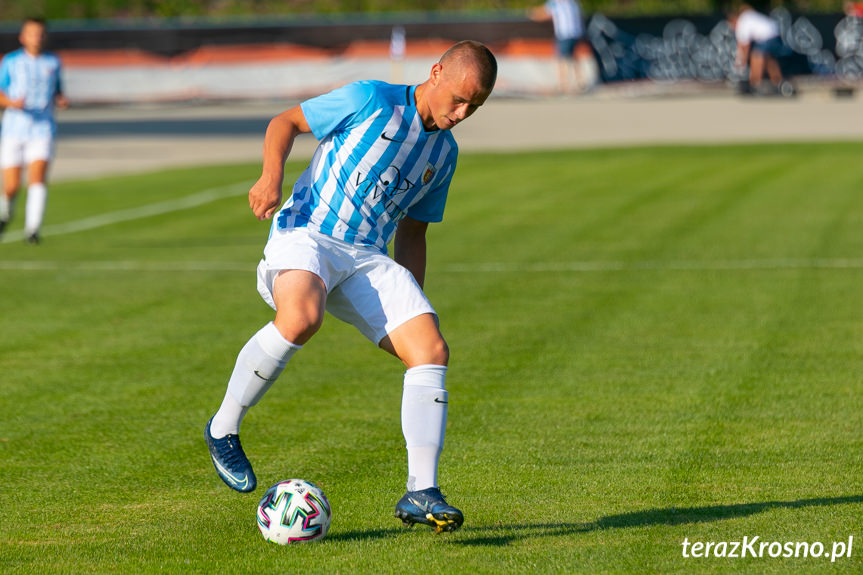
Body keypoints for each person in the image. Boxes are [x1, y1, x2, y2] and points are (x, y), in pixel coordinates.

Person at [204, 40, 497, 534]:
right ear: (437, 71)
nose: (464, 112)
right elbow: (286, 123)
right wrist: (270, 178)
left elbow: (414, 230)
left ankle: (420, 491)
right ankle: (223, 428)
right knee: (301, 318)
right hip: (308, 233)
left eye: (477, 105)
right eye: (460, 98)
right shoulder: (372, 100)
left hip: (365, 257)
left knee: (429, 349)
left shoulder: (444, 153)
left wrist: (409, 305)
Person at [0, 17, 68, 243]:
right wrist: (11, 103)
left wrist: (61, 99)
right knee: (11, 186)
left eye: (40, 34)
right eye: (32, 33)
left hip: (42, 128)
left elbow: (58, 90)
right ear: (23, 37)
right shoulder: (11, 62)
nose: (36, 38)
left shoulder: (53, 62)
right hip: (14, 129)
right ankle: (5, 211)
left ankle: (33, 229)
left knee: (37, 178)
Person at [728, 4, 792, 96]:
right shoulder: (747, 17)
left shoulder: (742, 23)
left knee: (756, 56)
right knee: (769, 60)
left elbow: (744, 47)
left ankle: (755, 84)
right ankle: (779, 83)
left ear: (734, 20)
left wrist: (740, 64)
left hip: (767, 35)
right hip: (775, 33)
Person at [529, 0, 587, 93]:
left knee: (561, 59)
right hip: (576, 33)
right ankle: (580, 82)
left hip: (564, 34)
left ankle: (563, 85)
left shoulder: (556, 3)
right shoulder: (574, 3)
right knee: (574, 57)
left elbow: (543, 14)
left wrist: (532, 13)